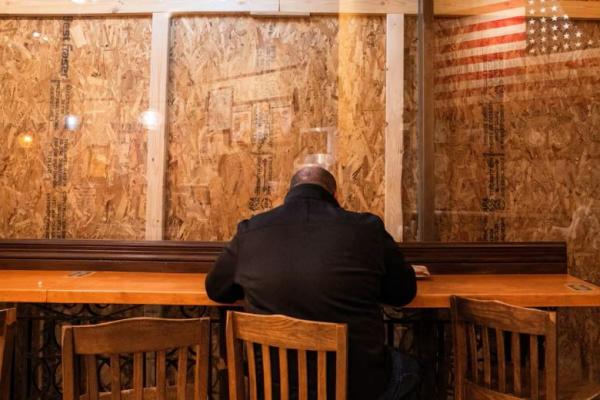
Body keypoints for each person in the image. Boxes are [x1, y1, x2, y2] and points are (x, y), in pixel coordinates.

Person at [206, 165, 419, 400]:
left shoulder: (250, 230)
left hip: (273, 390)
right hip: (357, 389)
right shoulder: (367, 229)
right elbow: (404, 293)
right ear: (335, 195)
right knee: (411, 367)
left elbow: (216, 289)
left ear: (288, 192)